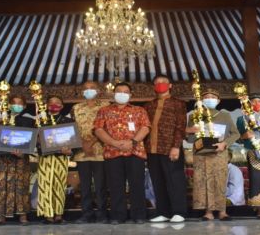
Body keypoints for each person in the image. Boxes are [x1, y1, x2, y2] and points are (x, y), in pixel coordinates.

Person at [93, 82, 150, 224]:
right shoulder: (104, 111)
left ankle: (139, 215)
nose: (122, 94)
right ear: (114, 93)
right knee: (115, 185)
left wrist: (133, 142)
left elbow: (145, 128)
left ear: (130, 95)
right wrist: (114, 143)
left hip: (135, 152)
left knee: (137, 185)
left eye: (126, 92)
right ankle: (118, 216)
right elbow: (98, 130)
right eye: (119, 91)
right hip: (112, 152)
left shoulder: (139, 110)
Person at [186, 89, 238, 221]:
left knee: (219, 181)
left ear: (218, 101)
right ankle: (208, 212)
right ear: (201, 100)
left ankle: (222, 211)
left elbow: (235, 133)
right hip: (201, 154)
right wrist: (190, 131)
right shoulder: (194, 116)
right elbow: (189, 139)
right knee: (203, 181)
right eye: (206, 97)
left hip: (219, 153)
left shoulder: (224, 116)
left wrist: (224, 144)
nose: (209, 99)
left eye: (213, 97)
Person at [143, 74, 187, 223]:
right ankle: (163, 212)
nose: (160, 85)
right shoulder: (149, 105)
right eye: (157, 83)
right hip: (152, 149)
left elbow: (180, 126)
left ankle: (179, 211)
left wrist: (176, 146)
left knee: (175, 181)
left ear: (170, 86)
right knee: (157, 181)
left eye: (163, 82)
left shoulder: (178, 104)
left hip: (170, 148)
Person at [70, 81, 109, 223]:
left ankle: (102, 214)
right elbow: (72, 129)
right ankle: (86, 214)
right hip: (81, 153)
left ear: (98, 90)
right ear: (82, 92)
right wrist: (83, 144)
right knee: (84, 187)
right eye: (85, 89)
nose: (89, 90)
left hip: (101, 151)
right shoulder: (76, 108)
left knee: (100, 186)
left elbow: (108, 127)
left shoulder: (106, 107)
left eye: (92, 88)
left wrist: (91, 142)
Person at [0, 95, 33, 225]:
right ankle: (2, 216)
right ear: (8, 105)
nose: (17, 105)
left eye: (20, 103)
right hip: (4, 158)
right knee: (3, 185)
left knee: (21, 185)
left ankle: (23, 216)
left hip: (21, 158)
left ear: (25, 106)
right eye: (13, 103)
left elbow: (30, 140)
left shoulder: (28, 121)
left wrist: (23, 152)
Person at [37, 95, 74, 224]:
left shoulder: (67, 121)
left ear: (62, 106)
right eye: (51, 103)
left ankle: (59, 214)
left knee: (59, 185)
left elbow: (72, 140)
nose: (54, 105)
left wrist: (70, 150)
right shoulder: (40, 120)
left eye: (57, 103)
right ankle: (47, 214)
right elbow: (36, 140)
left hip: (61, 158)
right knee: (45, 185)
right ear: (46, 105)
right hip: (45, 158)